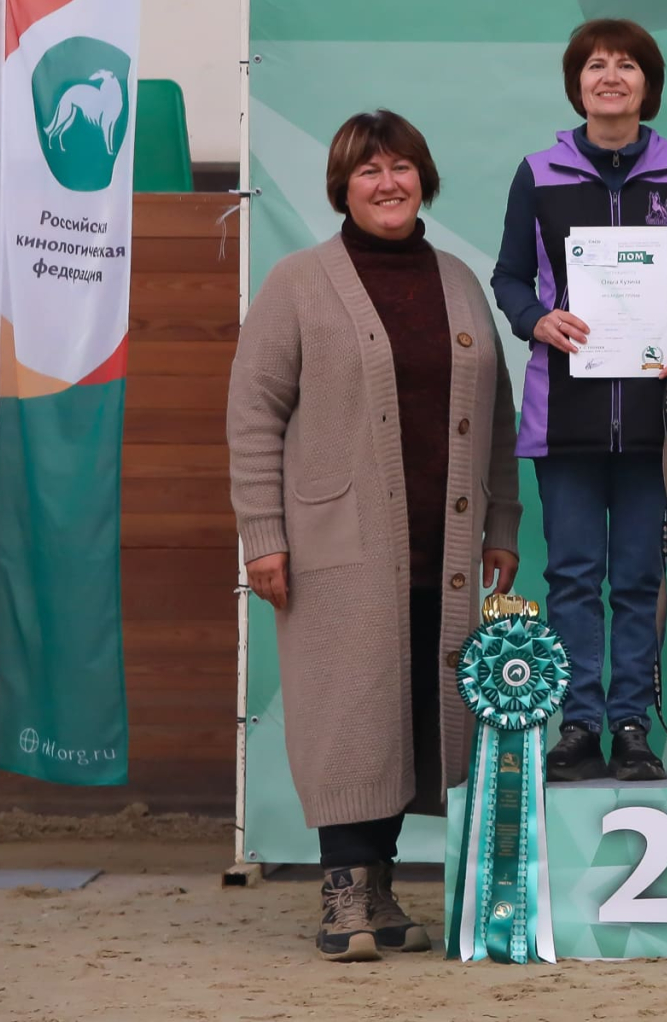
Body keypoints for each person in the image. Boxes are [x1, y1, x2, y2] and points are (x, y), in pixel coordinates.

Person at [227, 111, 519, 962]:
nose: (388, 182)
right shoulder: (298, 280)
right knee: (351, 708)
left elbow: (497, 414)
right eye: (369, 171)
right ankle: (343, 889)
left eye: (401, 167)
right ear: (342, 188)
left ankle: (382, 888)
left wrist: (502, 521)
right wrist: (262, 532)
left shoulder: (460, 281)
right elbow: (253, 413)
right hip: (336, 544)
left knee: (419, 713)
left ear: (423, 177)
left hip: (447, 545)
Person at [493, 19, 667, 784]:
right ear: (577, 84)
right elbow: (510, 279)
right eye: (596, 64)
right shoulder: (539, 171)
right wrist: (537, 319)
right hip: (564, 410)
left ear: (647, 84)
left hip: (654, 409)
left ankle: (630, 723)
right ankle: (577, 725)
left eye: (627, 64)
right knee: (570, 574)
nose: (611, 75)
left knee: (637, 577)